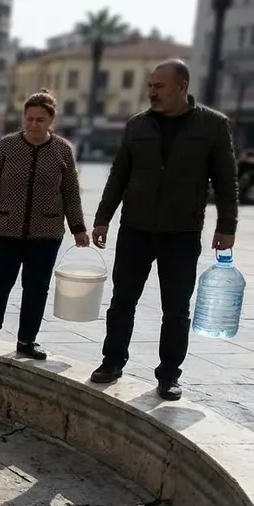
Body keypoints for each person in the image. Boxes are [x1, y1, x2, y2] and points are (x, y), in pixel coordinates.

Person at [89, 59, 239, 401]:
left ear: (182, 87)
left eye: (159, 86)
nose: (151, 91)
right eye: (150, 85)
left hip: (182, 233)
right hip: (135, 229)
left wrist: (227, 227)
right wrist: (103, 217)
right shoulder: (137, 125)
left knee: (176, 309)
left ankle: (169, 375)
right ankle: (112, 362)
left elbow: (226, 181)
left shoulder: (213, 125)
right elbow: (118, 175)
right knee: (122, 301)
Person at [0, 89, 88, 360]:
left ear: (51, 121)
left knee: (36, 288)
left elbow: (70, 191)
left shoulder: (62, 150)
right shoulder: (7, 145)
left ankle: (27, 340)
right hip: (5, 229)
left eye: (40, 120)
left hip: (46, 233)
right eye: (30, 118)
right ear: (23, 118)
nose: (34, 124)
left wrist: (78, 227)